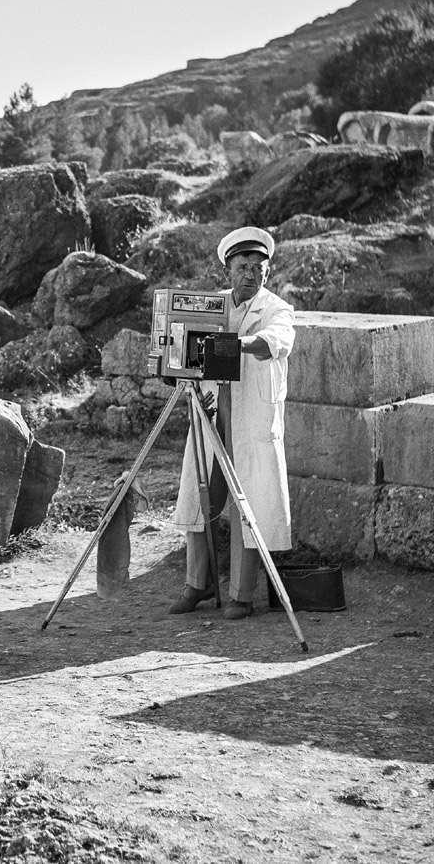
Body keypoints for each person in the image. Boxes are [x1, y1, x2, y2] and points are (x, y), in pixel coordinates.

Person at [168, 226, 295, 620]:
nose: (250, 274)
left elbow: (276, 341)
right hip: (211, 413)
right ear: (228, 271)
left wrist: (234, 345)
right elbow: (181, 340)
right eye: (243, 267)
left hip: (251, 418)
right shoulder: (212, 306)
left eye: (258, 267)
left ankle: (241, 593)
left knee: (248, 502)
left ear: (268, 272)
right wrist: (173, 360)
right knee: (200, 497)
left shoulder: (277, 308)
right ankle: (198, 583)